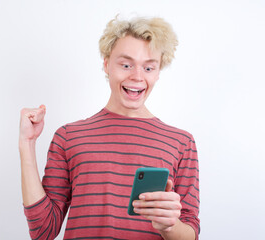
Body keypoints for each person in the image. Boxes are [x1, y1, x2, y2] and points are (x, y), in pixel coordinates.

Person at [19, 16, 200, 240]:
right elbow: (43, 232)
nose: (137, 76)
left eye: (149, 67)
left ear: (158, 71)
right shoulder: (69, 137)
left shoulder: (181, 142)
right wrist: (27, 144)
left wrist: (169, 226)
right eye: (126, 65)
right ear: (106, 64)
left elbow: (190, 233)